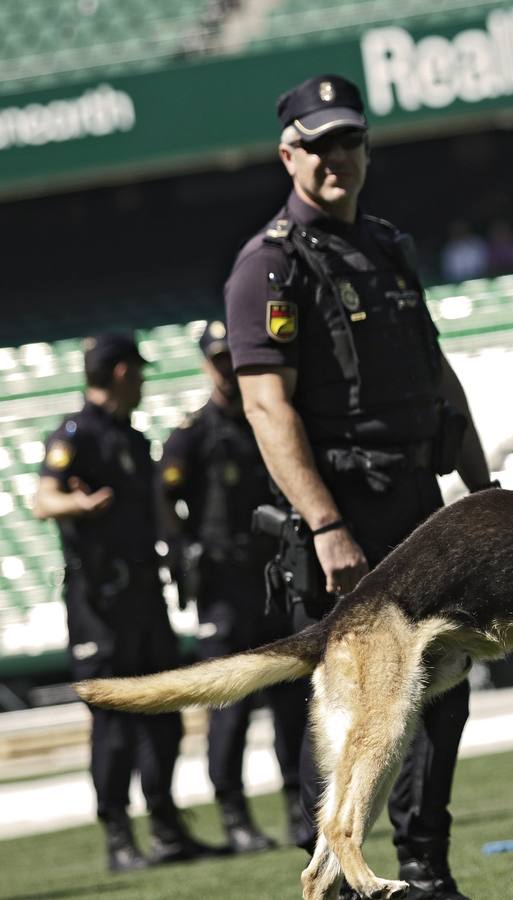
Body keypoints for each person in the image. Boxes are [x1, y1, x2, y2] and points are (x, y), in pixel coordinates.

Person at [223, 74, 493, 900]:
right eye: (318, 144)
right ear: (287, 154)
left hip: (419, 502)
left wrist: (482, 490)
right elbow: (268, 408)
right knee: (353, 715)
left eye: (349, 141)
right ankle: (338, 878)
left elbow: (436, 370)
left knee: (441, 690)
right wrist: (326, 523)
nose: (336, 157)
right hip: (346, 512)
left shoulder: (388, 245)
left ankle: (424, 870)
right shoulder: (268, 266)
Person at [33, 333, 210, 872]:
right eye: (137, 370)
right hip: (99, 602)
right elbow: (43, 499)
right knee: (112, 723)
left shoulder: (132, 440)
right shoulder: (75, 434)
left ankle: (166, 828)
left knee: (163, 710)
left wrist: (179, 549)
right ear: (117, 372)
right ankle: (118, 839)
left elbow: (156, 508)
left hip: (143, 595)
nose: (143, 381)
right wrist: (79, 505)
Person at [160, 320, 308, 851]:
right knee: (231, 705)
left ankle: (299, 804)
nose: (226, 367)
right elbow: (164, 501)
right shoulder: (194, 432)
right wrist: (184, 550)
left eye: (230, 356)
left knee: (291, 697)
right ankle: (234, 815)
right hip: (223, 587)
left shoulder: (260, 417)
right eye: (217, 359)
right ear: (206, 364)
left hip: (270, 579)